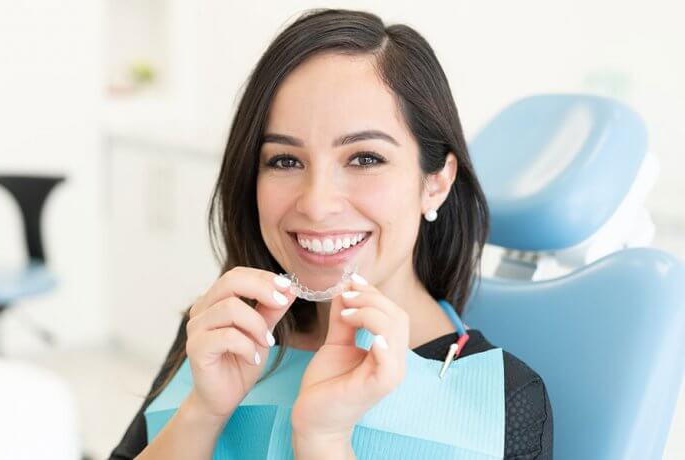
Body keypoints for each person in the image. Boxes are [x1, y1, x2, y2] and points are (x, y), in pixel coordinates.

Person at [111, 8, 552, 459]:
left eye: (364, 158)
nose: (317, 204)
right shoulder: (220, 329)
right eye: (285, 160)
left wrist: (322, 440)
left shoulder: (504, 400)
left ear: (435, 182)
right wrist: (203, 412)